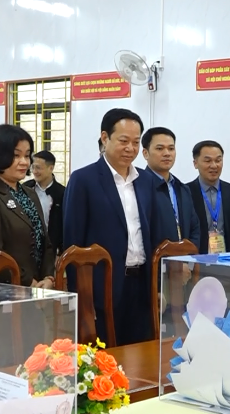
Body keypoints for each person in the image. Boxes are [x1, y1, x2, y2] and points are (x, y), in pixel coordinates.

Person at [63, 108, 155, 345]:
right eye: (123, 141)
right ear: (105, 138)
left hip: (141, 283)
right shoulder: (84, 179)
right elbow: (73, 242)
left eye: (136, 142)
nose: (130, 148)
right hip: (102, 285)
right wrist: (81, 297)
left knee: (140, 351)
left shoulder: (145, 180)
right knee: (105, 354)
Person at [0, 125, 55, 288]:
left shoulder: (30, 193)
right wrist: (28, 282)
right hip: (4, 291)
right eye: (16, 155)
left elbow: (45, 242)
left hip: (39, 288)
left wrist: (49, 277)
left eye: (27, 156)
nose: (24, 162)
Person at [143, 127, 201, 250]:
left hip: (184, 260)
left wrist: (187, 256)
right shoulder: (139, 187)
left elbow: (195, 229)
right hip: (153, 259)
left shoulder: (183, 189)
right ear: (145, 153)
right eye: (160, 148)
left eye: (171, 148)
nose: (167, 153)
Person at [187, 140, 230, 254]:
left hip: (227, 258)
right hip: (196, 257)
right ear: (195, 163)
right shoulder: (186, 192)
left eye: (218, 160)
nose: (214, 165)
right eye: (208, 161)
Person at [22, 151, 65, 254]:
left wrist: (60, 251)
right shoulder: (25, 188)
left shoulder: (62, 193)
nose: (34, 171)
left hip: (51, 249)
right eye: (33, 167)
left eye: (38, 168)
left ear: (51, 168)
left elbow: (64, 224)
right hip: (26, 247)